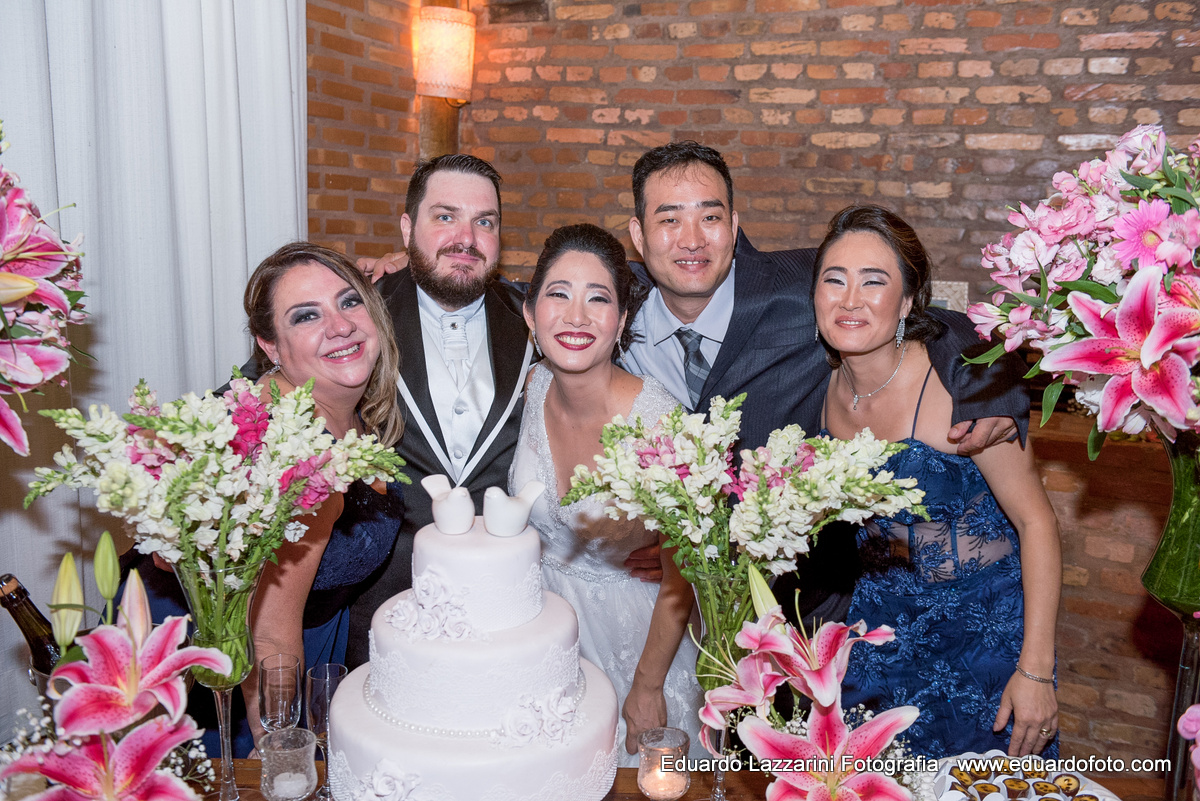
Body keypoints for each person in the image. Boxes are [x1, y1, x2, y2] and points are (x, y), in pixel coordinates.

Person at [620, 141, 1031, 629]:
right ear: (639, 235)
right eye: (668, 220)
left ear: (732, 225)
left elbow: (926, 315)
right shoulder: (606, 310)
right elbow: (524, 306)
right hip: (672, 598)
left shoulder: (799, 290)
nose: (691, 240)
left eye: (709, 217)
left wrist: (995, 389)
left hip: (809, 606)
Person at [813, 204, 1061, 758]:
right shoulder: (822, 387)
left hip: (982, 637)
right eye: (835, 280)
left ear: (905, 303)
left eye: (874, 282)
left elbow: (1035, 521)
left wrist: (1037, 671)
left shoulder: (965, 386)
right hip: (879, 629)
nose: (850, 299)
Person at [509, 224, 703, 765]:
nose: (576, 317)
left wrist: (646, 687)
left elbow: (685, 566)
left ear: (620, 322)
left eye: (598, 299)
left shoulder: (659, 421)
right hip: (545, 633)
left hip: (640, 640)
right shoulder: (535, 387)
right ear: (530, 314)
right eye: (558, 295)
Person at [345, 154, 538, 668]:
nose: (466, 238)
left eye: (485, 222)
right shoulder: (356, 315)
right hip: (379, 607)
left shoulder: (538, 322)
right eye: (445, 216)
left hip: (506, 612)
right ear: (408, 228)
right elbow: (260, 393)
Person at [240, 242, 407, 746]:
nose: (340, 326)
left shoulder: (352, 412)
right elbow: (266, 634)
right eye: (307, 315)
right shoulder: (292, 450)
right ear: (270, 347)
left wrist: (413, 258)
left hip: (319, 652)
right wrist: (284, 753)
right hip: (253, 675)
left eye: (350, 301)